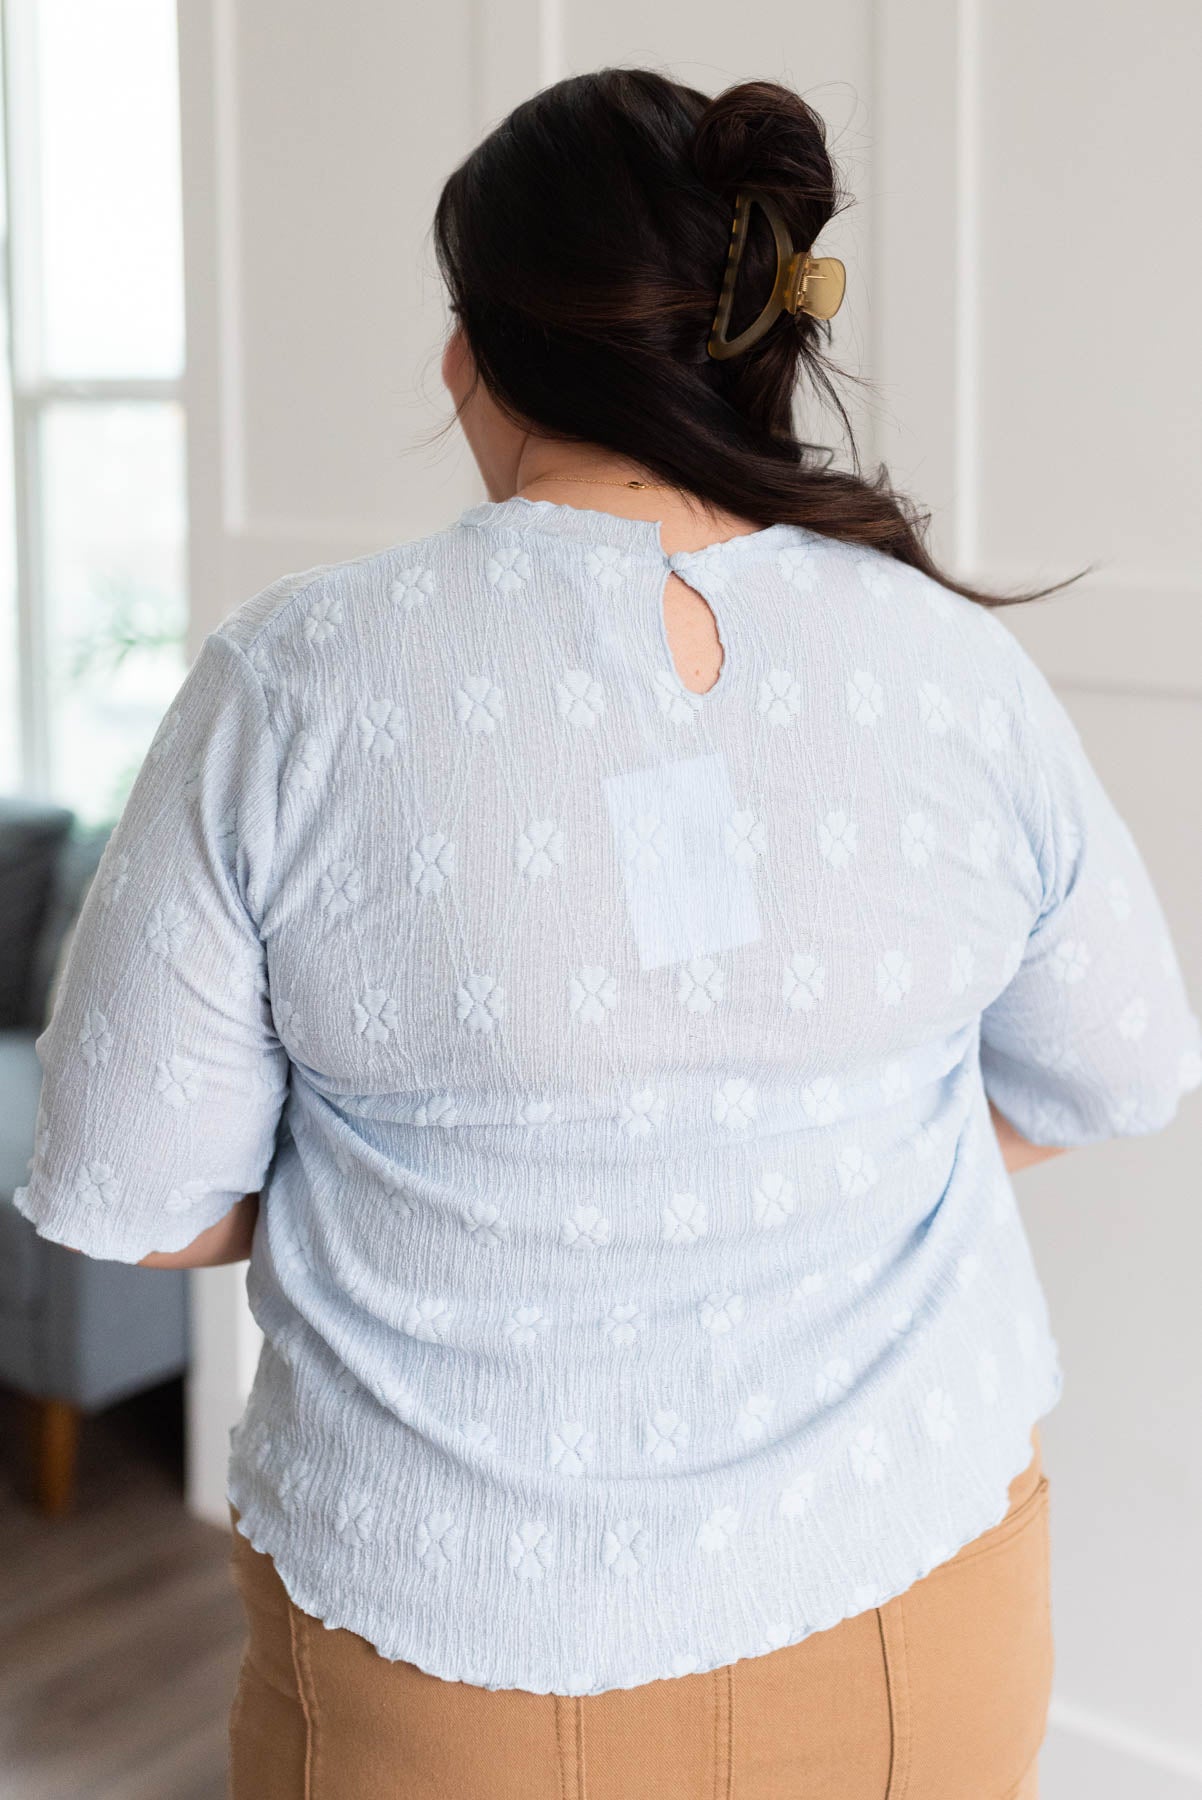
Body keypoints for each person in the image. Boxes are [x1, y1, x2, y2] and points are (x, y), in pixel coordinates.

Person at [14, 68, 1200, 1800]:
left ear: (478, 355)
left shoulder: (303, 680)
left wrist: (461, 1191)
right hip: (918, 1597)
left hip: (460, 1657)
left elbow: (126, 1184)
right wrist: (798, 1151)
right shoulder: (951, 668)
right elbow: (1121, 1066)